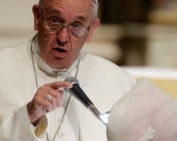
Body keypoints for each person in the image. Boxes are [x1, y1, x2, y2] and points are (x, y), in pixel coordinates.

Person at [0, 0, 136, 140]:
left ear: (92, 29)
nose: (63, 37)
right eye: (54, 20)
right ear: (37, 17)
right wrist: (27, 117)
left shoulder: (121, 83)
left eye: (76, 25)